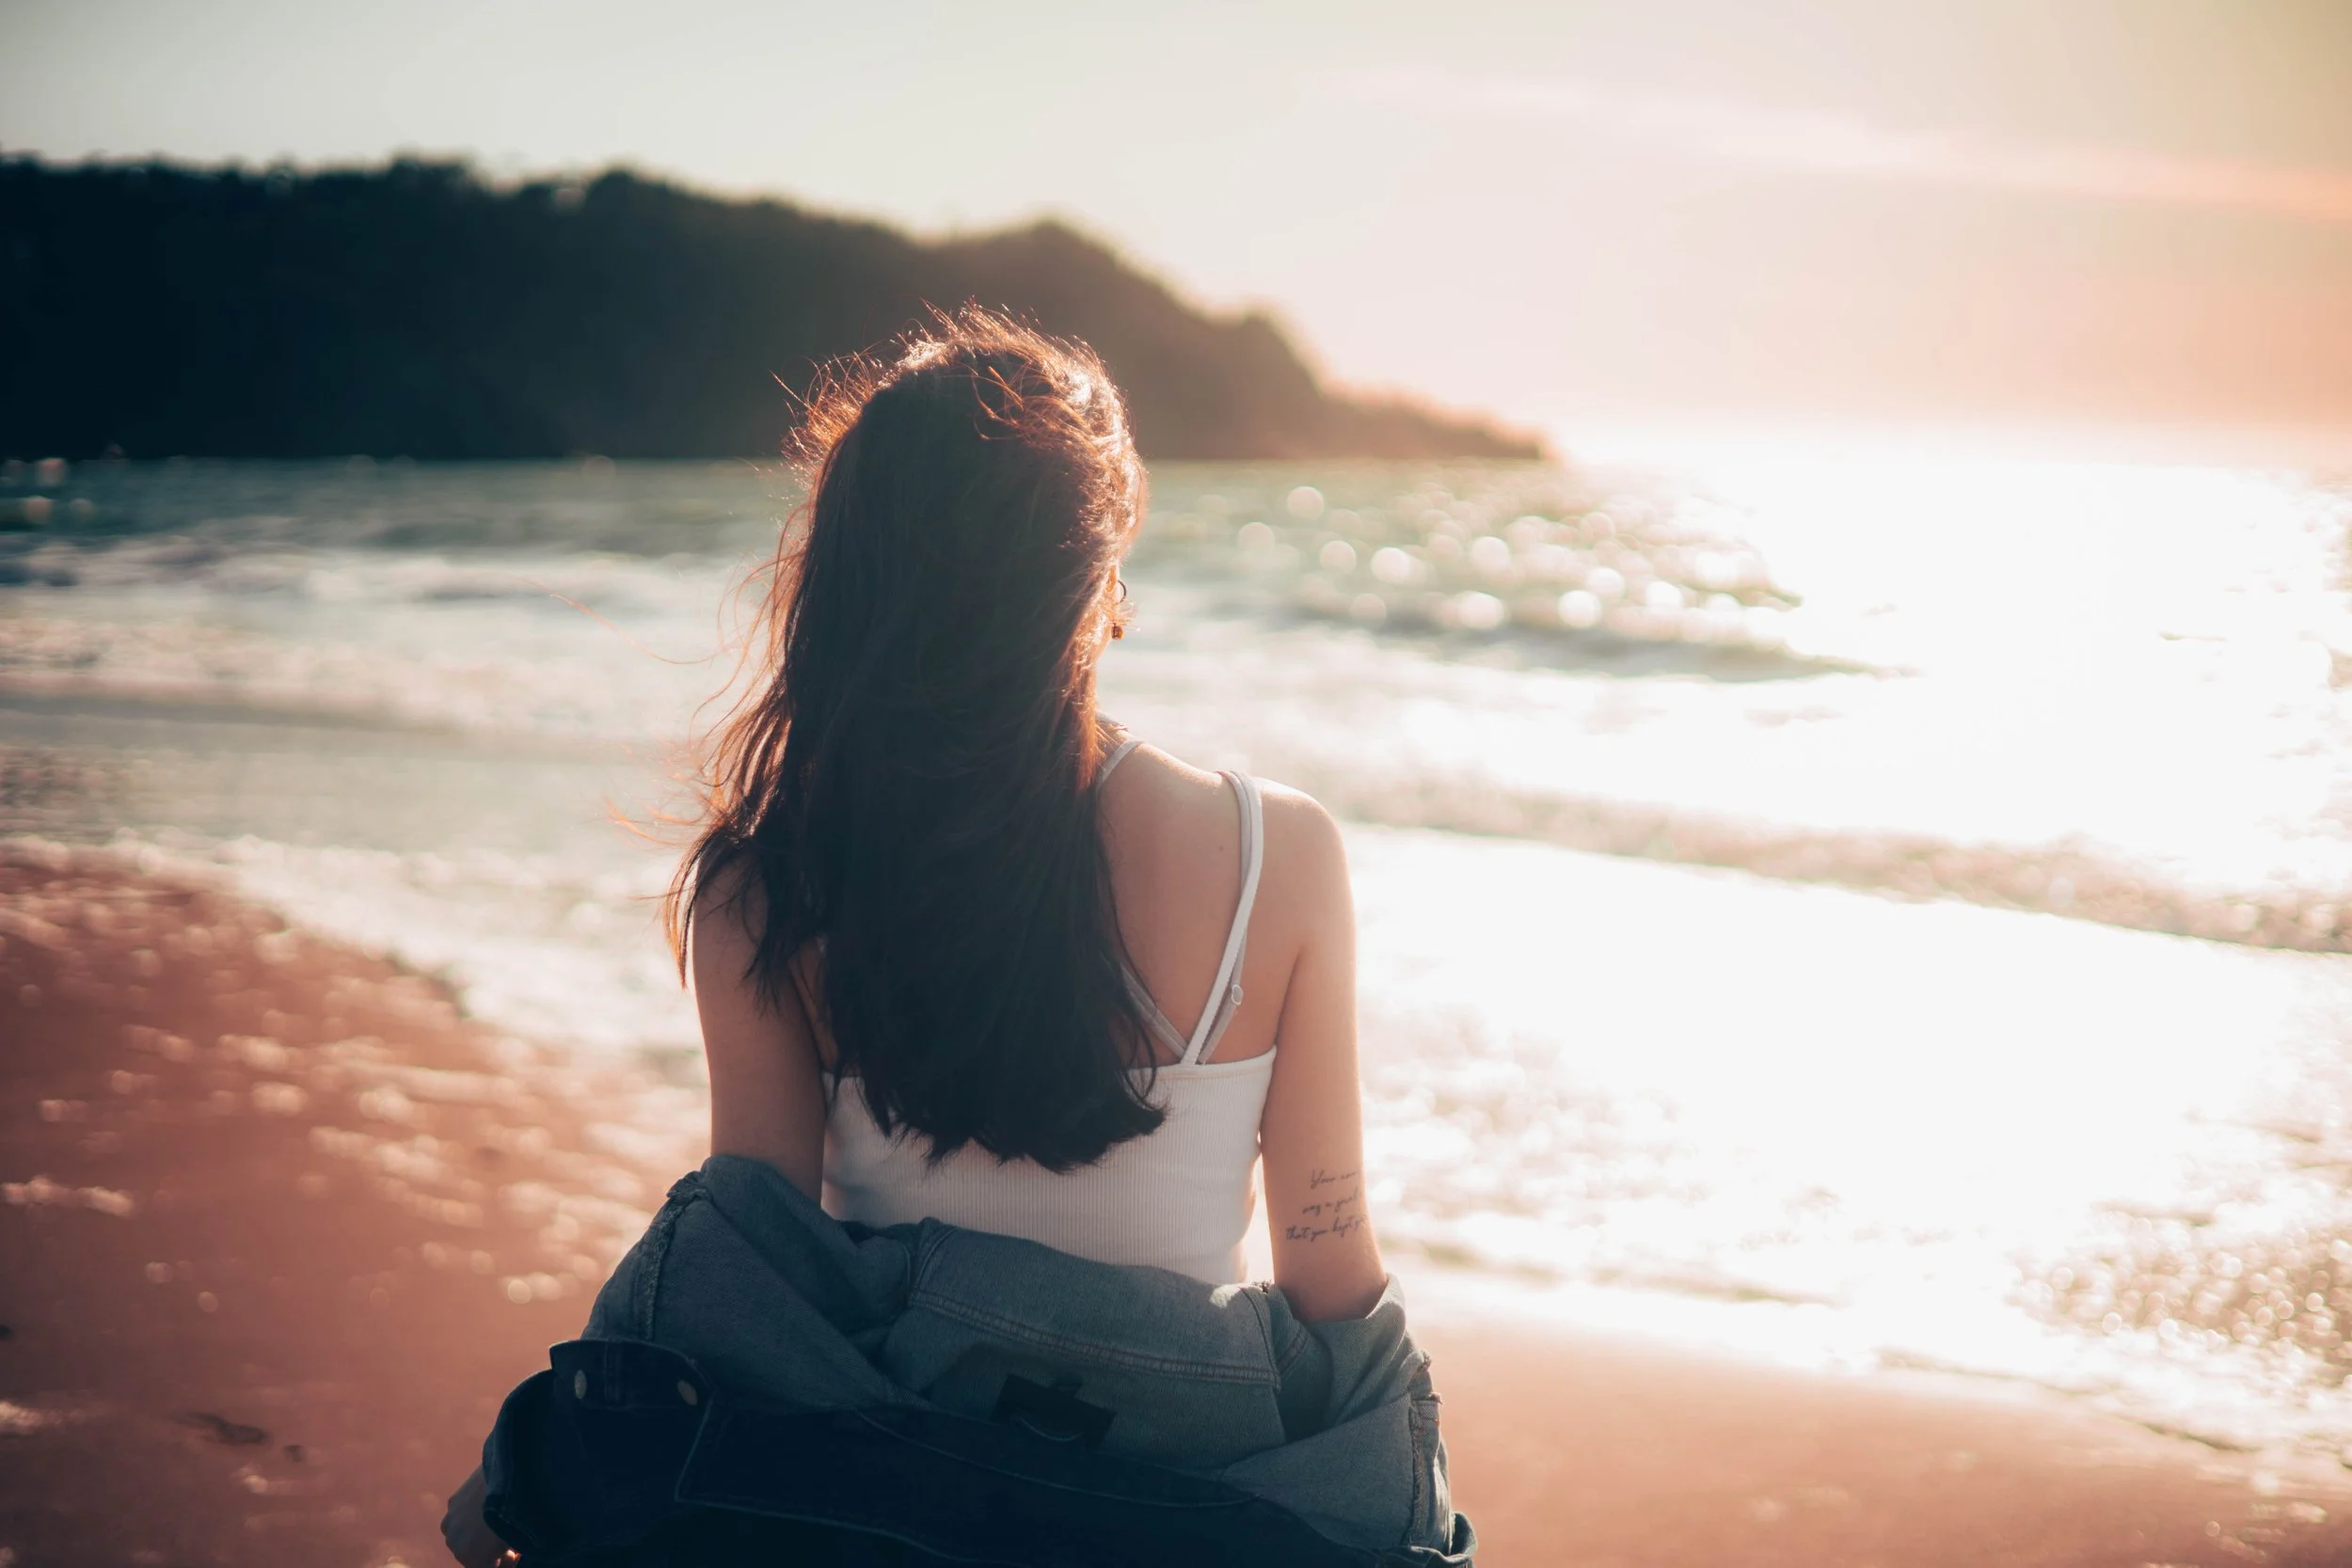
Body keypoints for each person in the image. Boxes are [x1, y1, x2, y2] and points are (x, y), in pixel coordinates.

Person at [445, 309, 1465, 1566]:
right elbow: (1327, 1272)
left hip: (890, 1496)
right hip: (1179, 1499)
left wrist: (539, 1469)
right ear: (1093, 574)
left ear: (860, 575)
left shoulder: (768, 889)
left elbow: (751, 1273)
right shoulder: (1278, 855)